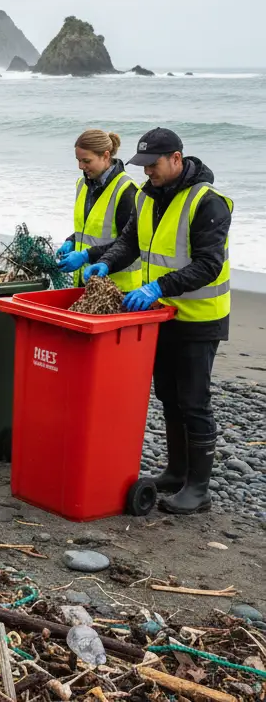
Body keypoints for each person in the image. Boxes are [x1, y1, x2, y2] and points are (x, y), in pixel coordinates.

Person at [83, 128, 232, 515]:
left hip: (199, 318)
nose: (148, 172)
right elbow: (130, 242)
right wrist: (105, 261)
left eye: (154, 164)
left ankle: (199, 488)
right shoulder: (148, 197)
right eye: (143, 165)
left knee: (194, 401)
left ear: (176, 159)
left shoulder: (207, 203)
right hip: (160, 315)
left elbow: (209, 264)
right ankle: (176, 471)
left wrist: (157, 287)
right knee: (168, 396)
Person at [55, 129, 141, 290]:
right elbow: (91, 227)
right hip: (87, 282)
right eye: (78, 160)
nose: (81, 166)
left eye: (86, 161)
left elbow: (130, 243)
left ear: (106, 156)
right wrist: (72, 241)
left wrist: (86, 256)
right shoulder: (82, 185)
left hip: (118, 287)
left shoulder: (127, 190)